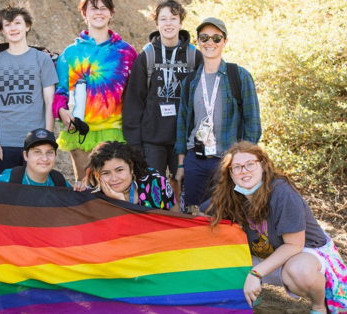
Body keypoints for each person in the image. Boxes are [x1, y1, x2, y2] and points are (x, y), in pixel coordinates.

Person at [205, 141, 347, 313]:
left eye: (250, 164)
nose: (244, 171)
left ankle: (319, 305)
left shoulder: (282, 193)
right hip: (267, 252)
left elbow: (295, 245)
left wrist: (255, 274)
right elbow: (204, 214)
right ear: (230, 173)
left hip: (305, 251)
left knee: (299, 272)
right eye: (237, 167)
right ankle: (247, 297)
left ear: (263, 165)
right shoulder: (231, 193)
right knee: (214, 245)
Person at [175, 17, 261, 211]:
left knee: (227, 214)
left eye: (216, 38)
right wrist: (181, 165)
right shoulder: (190, 81)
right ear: (198, 41)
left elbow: (253, 124)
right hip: (195, 160)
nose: (210, 43)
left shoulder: (239, 76)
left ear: (225, 41)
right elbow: (182, 125)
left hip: (228, 161)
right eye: (204, 38)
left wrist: (244, 163)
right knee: (194, 214)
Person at [122, 0, 202, 197]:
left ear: (181, 22)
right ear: (156, 23)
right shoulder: (146, 57)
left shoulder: (194, 57)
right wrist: (135, 145)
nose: (168, 24)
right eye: (163, 19)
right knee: (152, 196)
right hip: (152, 141)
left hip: (184, 143)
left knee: (184, 198)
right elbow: (134, 102)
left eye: (173, 19)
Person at [53, 0, 137, 184]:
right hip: (80, 132)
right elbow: (60, 93)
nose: (98, 13)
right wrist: (61, 111)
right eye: (93, 8)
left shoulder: (126, 52)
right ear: (84, 13)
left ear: (111, 13)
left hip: (114, 132)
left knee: (115, 189)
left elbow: (136, 95)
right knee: (85, 189)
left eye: (103, 8)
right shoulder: (70, 54)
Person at [0, 2, 58, 179]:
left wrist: (48, 141)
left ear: (27, 26)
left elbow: (49, 103)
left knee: (32, 196)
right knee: (3, 196)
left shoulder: (42, 60)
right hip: (3, 143)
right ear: (2, 30)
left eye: (17, 23)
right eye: (7, 25)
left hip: (35, 142)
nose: (12, 28)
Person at [81, 141, 179, 212]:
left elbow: (175, 213)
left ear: (131, 167)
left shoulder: (154, 180)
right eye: (106, 173)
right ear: (97, 175)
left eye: (119, 170)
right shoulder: (94, 194)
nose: (114, 178)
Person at [0, 128, 70, 187]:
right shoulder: (10, 179)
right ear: (25, 156)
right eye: (37, 152)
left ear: (55, 156)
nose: (44, 158)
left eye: (49, 152)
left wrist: (80, 190)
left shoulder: (59, 182)